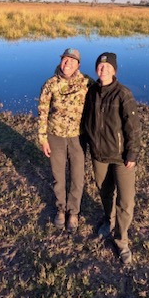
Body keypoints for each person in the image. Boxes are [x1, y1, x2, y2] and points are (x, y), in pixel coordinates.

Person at [82, 52, 142, 265]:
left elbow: (133, 128)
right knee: (105, 192)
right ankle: (108, 221)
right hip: (99, 155)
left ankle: (121, 240)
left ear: (114, 70)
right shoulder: (91, 92)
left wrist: (132, 153)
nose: (103, 69)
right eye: (100, 65)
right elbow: (86, 121)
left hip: (121, 157)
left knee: (126, 201)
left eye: (107, 67)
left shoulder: (122, 94)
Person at [37, 48, 92, 231]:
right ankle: (61, 209)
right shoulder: (50, 84)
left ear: (78, 65)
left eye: (72, 61)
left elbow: (101, 98)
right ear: (61, 61)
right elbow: (43, 112)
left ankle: (73, 212)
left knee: (77, 176)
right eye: (65, 60)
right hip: (55, 137)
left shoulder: (86, 83)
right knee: (58, 176)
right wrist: (43, 138)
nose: (67, 63)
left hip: (78, 137)